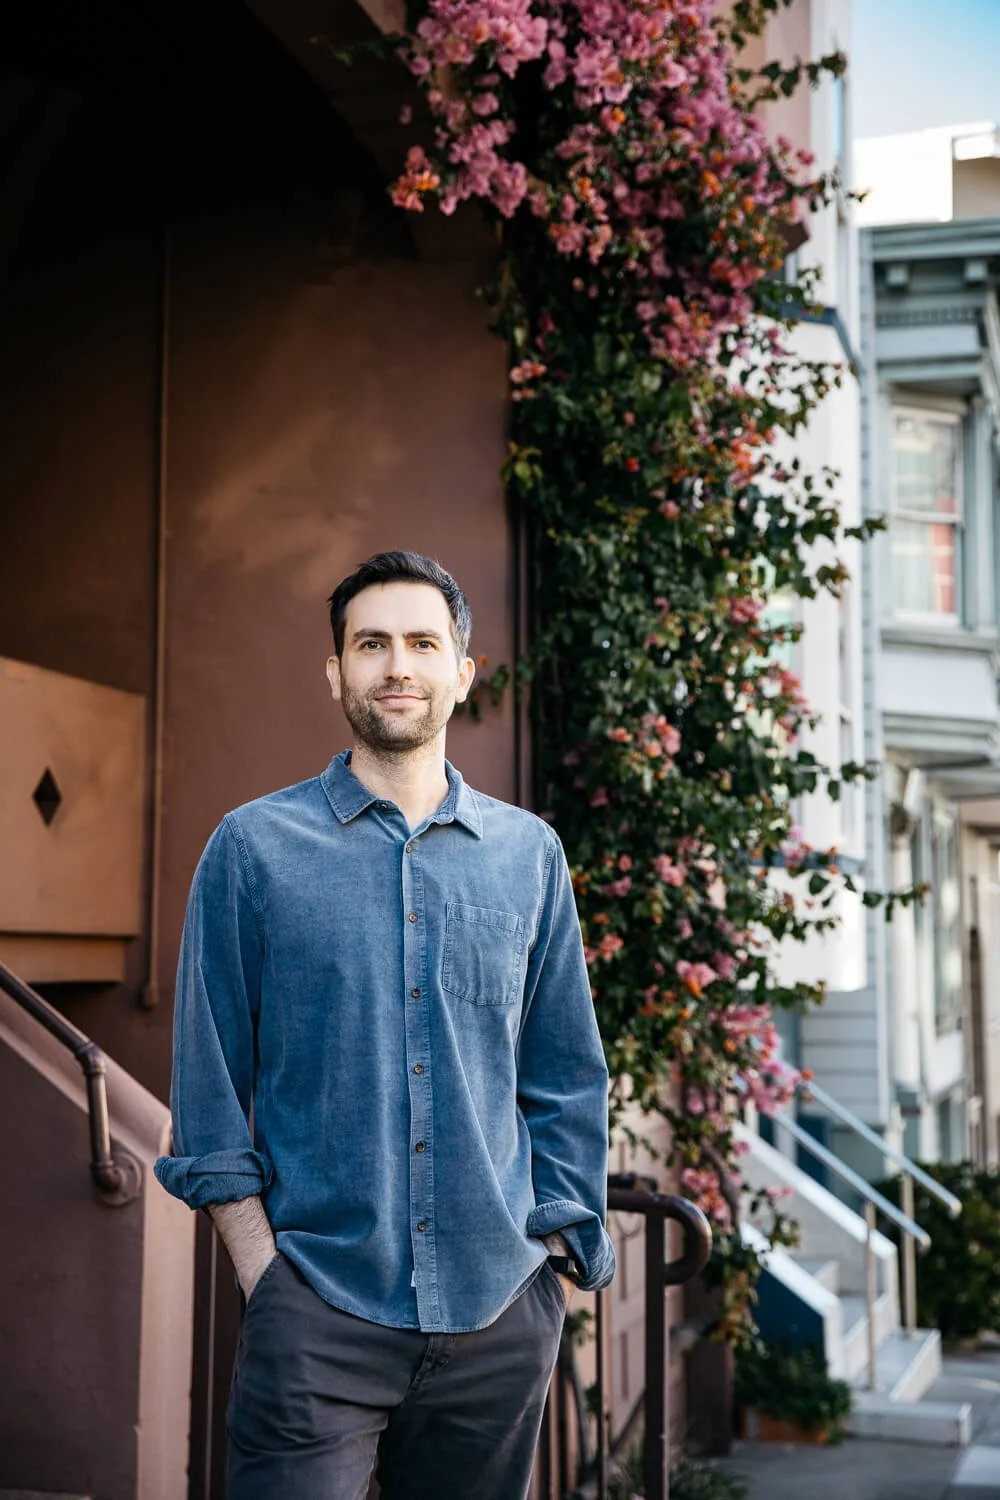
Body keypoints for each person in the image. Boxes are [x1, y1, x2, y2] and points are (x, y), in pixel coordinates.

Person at [155, 550, 615, 1500]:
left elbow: (565, 1071)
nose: (397, 665)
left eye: (421, 643)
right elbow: (206, 1082)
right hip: (316, 1309)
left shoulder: (529, 856)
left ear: (461, 672)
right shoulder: (252, 849)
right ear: (337, 674)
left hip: (498, 1311)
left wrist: (559, 1250)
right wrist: (265, 1276)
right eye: (372, 644)